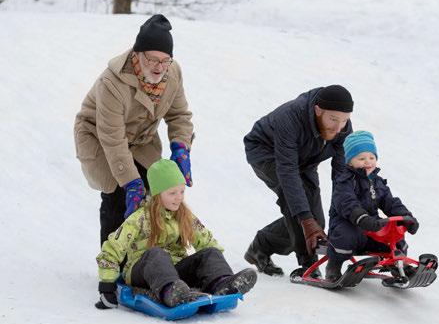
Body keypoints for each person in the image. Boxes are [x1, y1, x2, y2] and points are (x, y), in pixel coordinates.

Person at [74, 14, 194, 247]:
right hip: (99, 138)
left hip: (141, 139)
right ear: (137, 55)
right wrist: (131, 182)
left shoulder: (172, 72)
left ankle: (146, 260)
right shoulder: (112, 83)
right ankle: (112, 266)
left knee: (156, 191)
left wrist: (181, 148)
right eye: (152, 60)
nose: (159, 67)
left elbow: (179, 115)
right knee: (119, 194)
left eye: (165, 60)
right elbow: (113, 138)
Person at [95, 159, 257, 309]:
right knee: (157, 254)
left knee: (210, 253)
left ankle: (222, 284)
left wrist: (216, 268)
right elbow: (113, 247)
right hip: (143, 271)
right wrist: (107, 285)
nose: (179, 198)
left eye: (181, 192)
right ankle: (170, 292)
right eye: (172, 193)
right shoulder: (139, 218)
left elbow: (206, 240)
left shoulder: (183, 214)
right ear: (158, 194)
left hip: (174, 271)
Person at [243, 85, 354, 277]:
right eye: (333, 119)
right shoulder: (290, 117)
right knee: (298, 206)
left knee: (317, 221)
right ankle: (308, 265)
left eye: (344, 120)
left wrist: (347, 208)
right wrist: (306, 220)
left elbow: (341, 172)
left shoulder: (342, 126)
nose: (338, 128)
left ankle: (261, 245)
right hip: (266, 153)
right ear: (318, 110)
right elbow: (287, 172)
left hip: (305, 159)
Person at [325, 131, 420, 281]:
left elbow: (390, 202)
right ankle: (333, 265)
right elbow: (346, 202)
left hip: (372, 226)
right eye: (361, 158)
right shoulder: (344, 181)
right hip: (348, 224)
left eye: (371, 157)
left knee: (395, 235)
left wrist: (406, 217)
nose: (368, 162)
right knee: (345, 235)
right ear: (350, 161)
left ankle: (398, 264)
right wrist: (362, 218)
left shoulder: (377, 182)